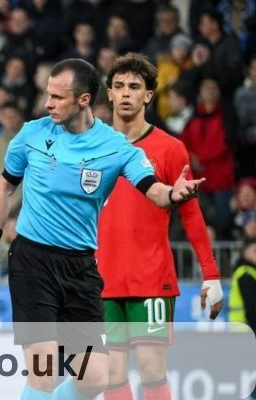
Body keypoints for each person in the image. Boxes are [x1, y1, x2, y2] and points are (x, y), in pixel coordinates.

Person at [0, 58, 208, 400]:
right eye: (48, 94)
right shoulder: (32, 133)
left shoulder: (115, 148)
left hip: (82, 267)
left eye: (58, 97)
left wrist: (173, 193)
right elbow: (5, 187)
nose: (48, 103)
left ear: (83, 99)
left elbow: (154, 190)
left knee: (96, 379)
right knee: (44, 371)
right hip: (32, 261)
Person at [97, 52, 223, 400]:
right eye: (118, 86)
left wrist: (210, 273)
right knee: (111, 372)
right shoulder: (89, 147)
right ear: (108, 93)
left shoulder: (170, 149)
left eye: (134, 87)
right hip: (101, 278)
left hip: (151, 276)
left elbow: (191, 215)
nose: (125, 93)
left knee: (152, 368)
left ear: (148, 96)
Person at [229, 239, 256, 399]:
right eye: (253, 251)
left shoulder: (249, 272)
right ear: (244, 252)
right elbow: (252, 309)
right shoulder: (245, 273)